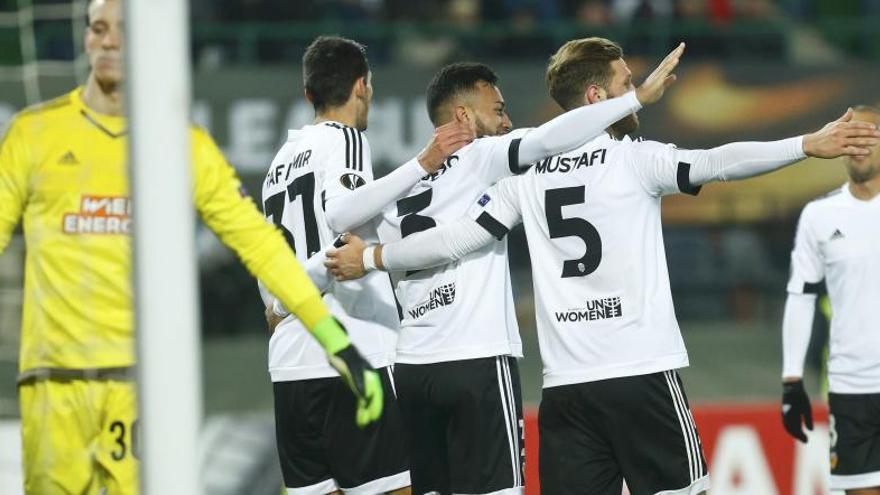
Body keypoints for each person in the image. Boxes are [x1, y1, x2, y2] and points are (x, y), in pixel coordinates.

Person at [325, 37, 880, 495]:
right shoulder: (634, 159)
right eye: (622, 88)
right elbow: (719, 161)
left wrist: (374, 257)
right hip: (641, 373)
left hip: (567, 391)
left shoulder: (526, 177)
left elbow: (456, 240)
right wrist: (806, 143)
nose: (631, 99)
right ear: (597, 96)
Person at [0, 2, 381, 494]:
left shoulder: (181, 146)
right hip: (52, 386)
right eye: (98, 28)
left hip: (137, 388)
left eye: (123, 30)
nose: (110, 41)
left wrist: (337, 343)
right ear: (86, 39)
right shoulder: (35, 134)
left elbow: (261, 248)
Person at [314, 42, 682, 494]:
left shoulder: (401, 186)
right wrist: (635, 99)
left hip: (412, 366)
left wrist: (283, 297)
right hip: (477, 361)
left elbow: (338, 229)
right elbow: (548, 138)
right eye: (499, 109)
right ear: (464, 117)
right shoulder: (484, 156)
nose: (507, 122)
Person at [259, 35, 479, 495]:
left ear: (308, 94)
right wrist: (424, 162)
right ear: (362, 86)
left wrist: (281, 304)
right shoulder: (344, 139)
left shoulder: (276, 167)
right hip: (353, 348)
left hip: (292, 364)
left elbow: (270, 280)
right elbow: (344, 214)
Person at [781, 105, 880, 495]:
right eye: (849, 135)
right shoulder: (818, 216)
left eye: (868, 134)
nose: (857, 144)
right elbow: (800, 297)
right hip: (850, 388)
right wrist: (791, 381)